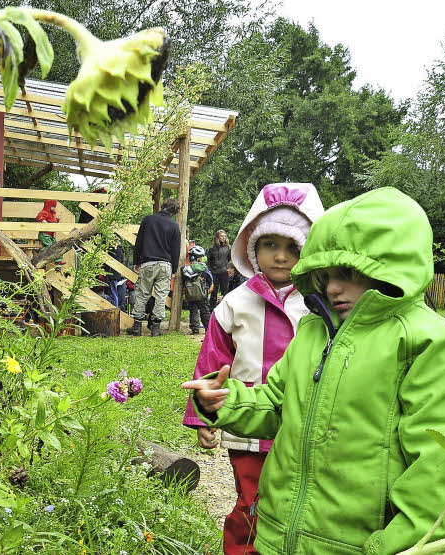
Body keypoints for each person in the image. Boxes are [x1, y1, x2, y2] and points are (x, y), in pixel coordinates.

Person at [183, 187, 445, 555]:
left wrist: (395, 545)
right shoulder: (314, 332)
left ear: (389, 265)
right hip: (279, 539)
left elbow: (443, 467)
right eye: (325, 273)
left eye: (347, 271)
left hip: (359, 545)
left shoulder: (429, 344)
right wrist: (223, 403)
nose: (331, 287)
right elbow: (276, 404)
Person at [182, 182, 323, 555]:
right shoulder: (234, 304)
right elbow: (212, 361)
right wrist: (203, 417)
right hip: (248, 429)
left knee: (300, 505)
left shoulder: (319, 305)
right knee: (251, 503)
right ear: (252, 249)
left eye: (293, 247)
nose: (281, 256)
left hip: (303, 425)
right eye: (270, 244)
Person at [127, 197, 182, 337]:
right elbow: (176, 251)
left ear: (163, 205)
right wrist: (174, 270)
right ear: (174, 211)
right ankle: (156, 328)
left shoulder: (148, 220)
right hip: (165, 265)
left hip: (147, 263)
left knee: (142, 294)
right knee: (161, 296)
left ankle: (137, 326)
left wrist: (136, 261)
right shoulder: (174, 226)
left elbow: (138, 242)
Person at [183, 245, 213, 334]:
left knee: (193, 310)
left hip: (191, 293)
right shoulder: (203, 267)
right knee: (205, 310)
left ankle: (195, 328)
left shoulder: (185, 269)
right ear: (199, 258)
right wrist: (209, 286)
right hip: (202, 292)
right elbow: (209, 278)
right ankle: (207, 328)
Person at [207, 230, 231, 308]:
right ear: (217, 237)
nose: (224, 238)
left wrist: (228, 270)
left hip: (225, 273)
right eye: (222, 236)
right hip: (214, 273)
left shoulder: (228, 247)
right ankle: (212, 311)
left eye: (225, 236)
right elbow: (209, 261)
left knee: (225, 292)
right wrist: (211, 270)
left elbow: (230, 260)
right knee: (213, 293)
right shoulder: (212, 248)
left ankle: (225, 309)